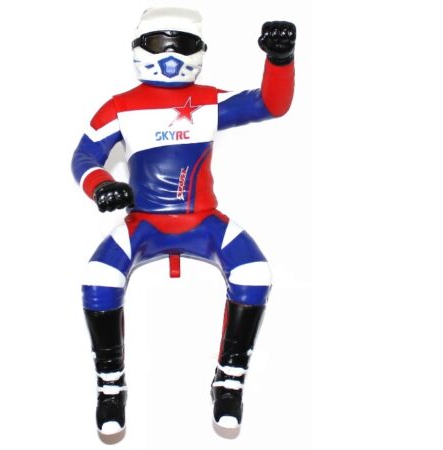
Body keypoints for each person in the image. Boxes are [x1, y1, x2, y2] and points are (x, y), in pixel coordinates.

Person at [71, 7, 296, 435]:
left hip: (204, 220)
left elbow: (272, 103)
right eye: (159, 44)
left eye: (184, 44)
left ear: (201, 50)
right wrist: (101, 185)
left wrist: (280, 61)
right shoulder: (120, 107)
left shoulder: (208, 100)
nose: (171, 56)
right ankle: (110, 387)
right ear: (138, 48)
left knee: (255, 272)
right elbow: (83, 156)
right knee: (98, 277)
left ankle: (229, 381)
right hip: (144, 223)